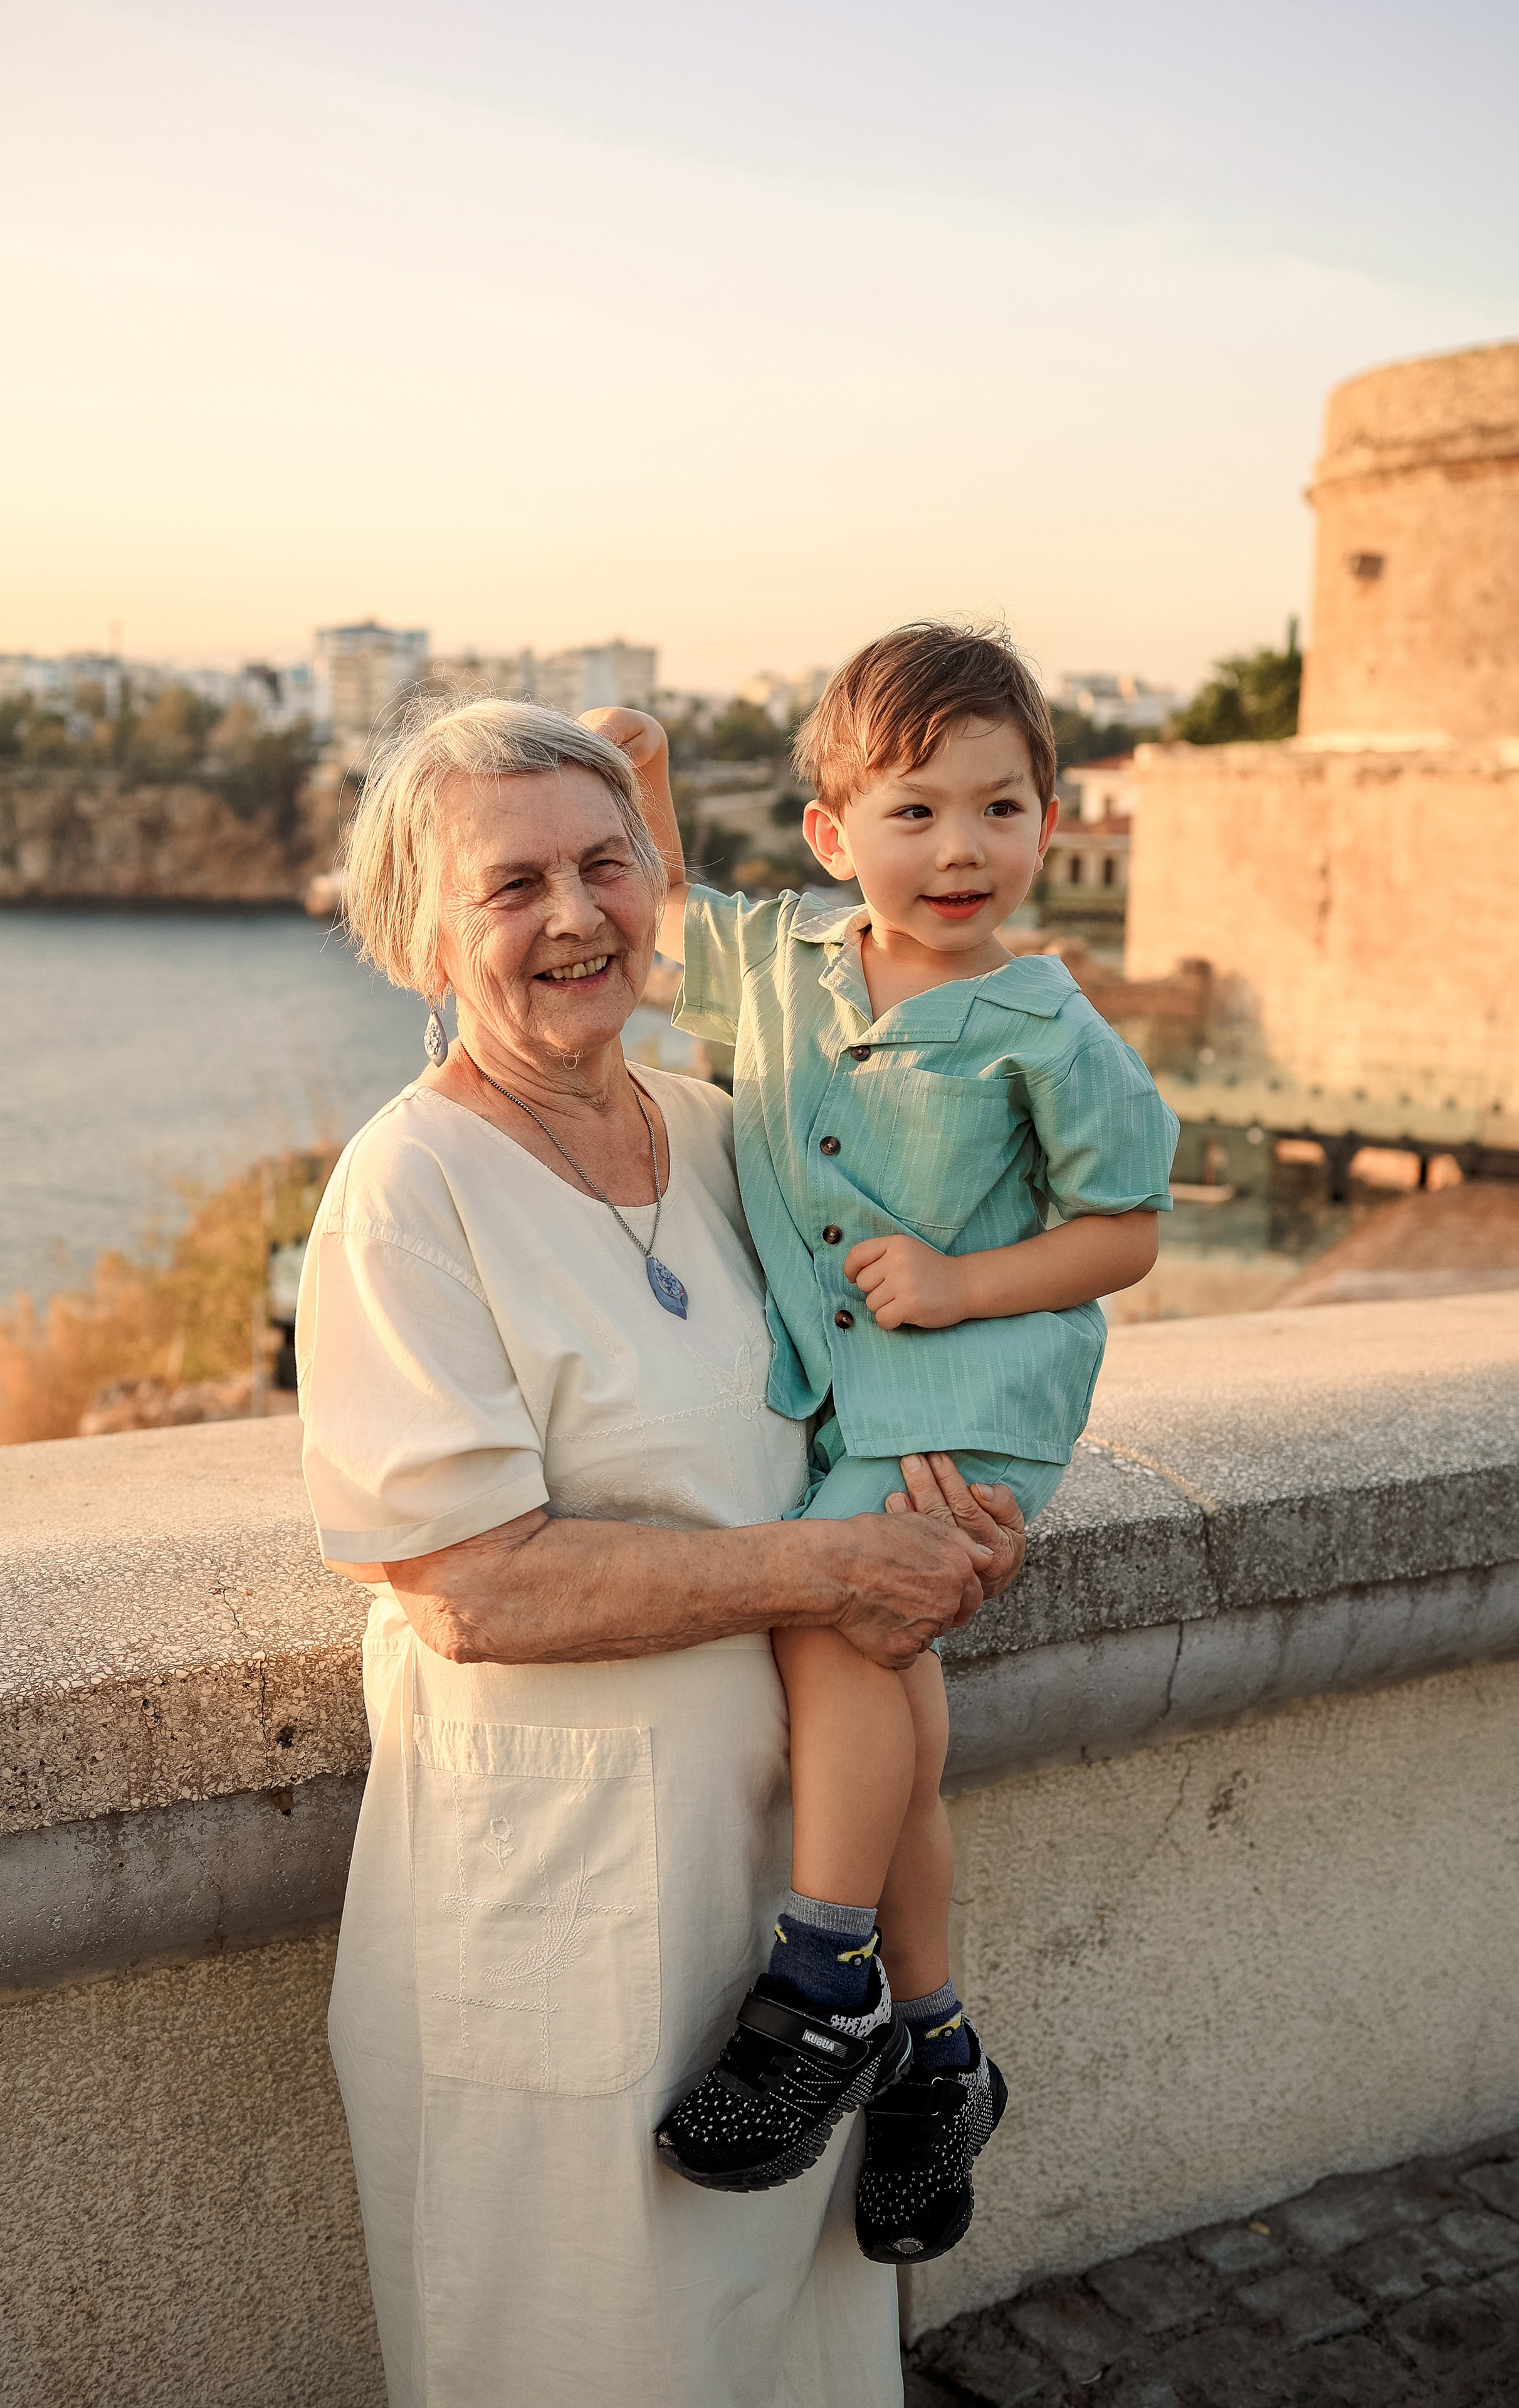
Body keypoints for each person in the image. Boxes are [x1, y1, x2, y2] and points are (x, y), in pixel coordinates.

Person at [294, 695, 1029, 2408]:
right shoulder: (407, 1192)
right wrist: (825, 1574)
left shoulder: (713, 1129)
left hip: (785, 1933)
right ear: (419, 931)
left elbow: (851, 1410)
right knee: (588, 2349)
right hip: (555, 1919)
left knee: (788, 2345)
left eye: (604, 863)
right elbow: (473, 1581)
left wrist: (943, 1516)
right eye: (513, 884)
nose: (574, 916)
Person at [584, 622, 1178, 2264]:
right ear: (834, 835)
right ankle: (938, 2050)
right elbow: (657, 922)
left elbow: (1125, 1226)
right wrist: (635, 771)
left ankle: (823, 1973)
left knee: (845, 1612)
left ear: (1052, 819)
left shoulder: (1046, 1024)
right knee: (886, 1698)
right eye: (915, 812)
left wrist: (965, 1279)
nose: (963, 848)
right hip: (843, 1401)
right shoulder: (778, 959)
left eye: (1002, 807)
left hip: (975, 1397)